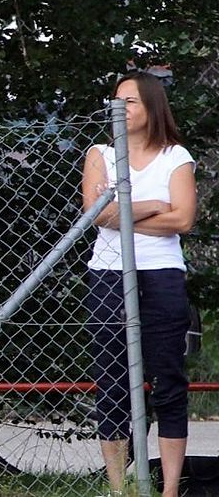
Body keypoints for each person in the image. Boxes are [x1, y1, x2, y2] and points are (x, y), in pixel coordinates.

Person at [82, 71, 196, 497]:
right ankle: (117, 487)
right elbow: (96, 215)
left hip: (162, 274)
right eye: (116, 100)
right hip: (109, 274)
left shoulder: (175, 156)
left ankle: (168, 489)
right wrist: (151, 204)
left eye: (130, 101)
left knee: (167, 377)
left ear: (152, 106)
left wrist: (122, 210)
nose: (121, 108)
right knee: (111, 379)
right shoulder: (101, 154)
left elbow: (183, 219)